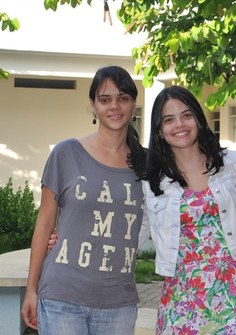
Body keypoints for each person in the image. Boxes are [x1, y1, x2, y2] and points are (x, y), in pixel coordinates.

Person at [21, 65, 147, 335]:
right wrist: (31, 290)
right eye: (104, 99)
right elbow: (44, 224)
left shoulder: (147, 164)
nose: (114, 106)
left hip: (119, 302)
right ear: (92, 105)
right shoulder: (66, 153)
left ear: (133, 104)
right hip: (61, 296)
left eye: (123, 98)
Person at [139, 85, 236, 334]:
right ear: (160, 130)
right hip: (182, 295)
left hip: (235, 290)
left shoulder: (234, 164)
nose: (179, 125)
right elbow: (132, 233)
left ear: (198, 119)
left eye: (186, 115)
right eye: (169, 120)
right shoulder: (152, 182)